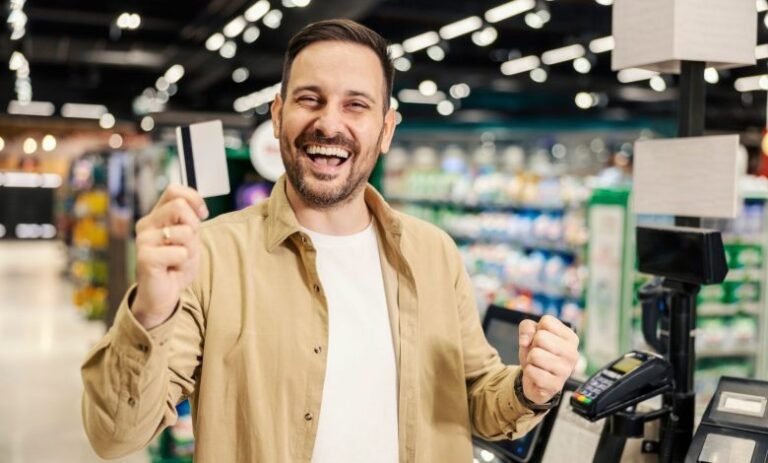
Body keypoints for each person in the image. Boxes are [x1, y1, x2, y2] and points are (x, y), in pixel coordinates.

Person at [81, 19, 580, 463]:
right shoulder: (211, 255)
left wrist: (528, 389)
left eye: (356, 105)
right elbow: (117, 435)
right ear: (277, 116)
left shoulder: (434, 252)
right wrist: (149, 312)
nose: (329, 123)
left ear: (385, 129)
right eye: (309, 98)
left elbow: (476, 397)